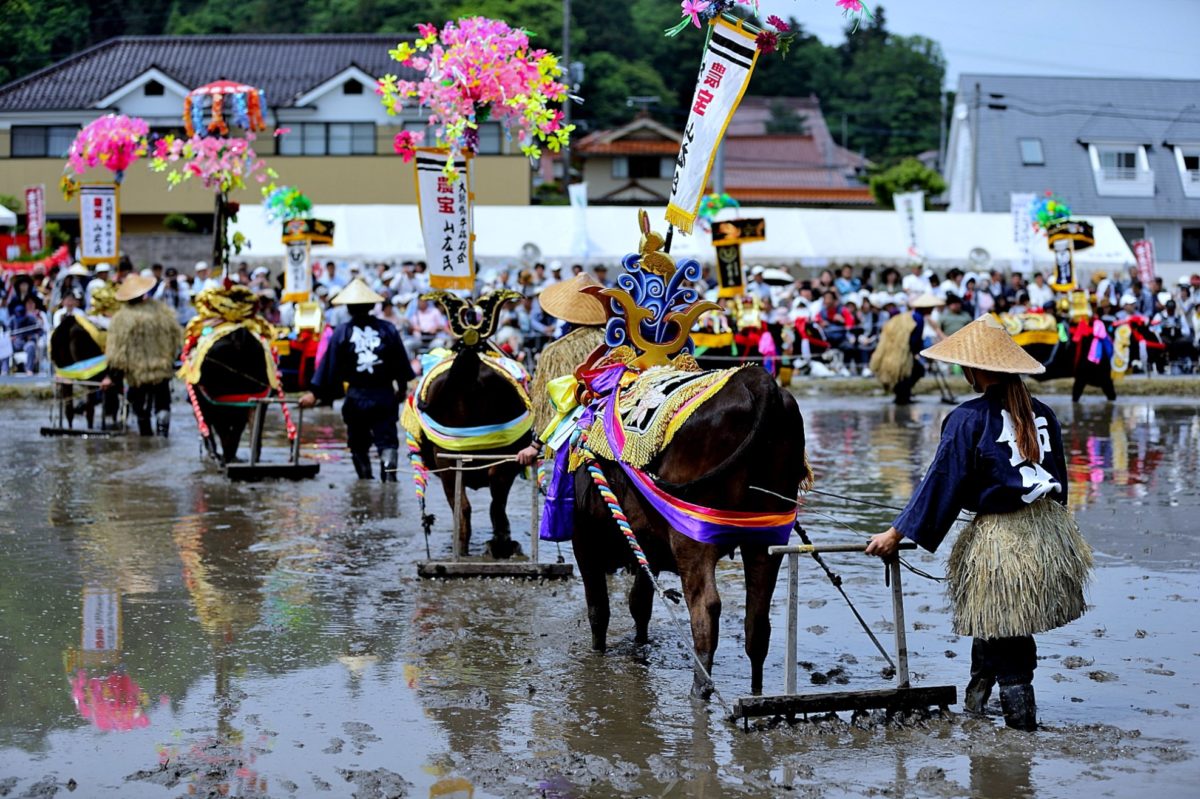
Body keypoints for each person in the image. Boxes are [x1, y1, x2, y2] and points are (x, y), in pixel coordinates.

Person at [866, 316, 1092, 731]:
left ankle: (1021, 735)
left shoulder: (968, 418)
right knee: (993, 616)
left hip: (1003, 540)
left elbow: (941, 482)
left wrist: (896, 533)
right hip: (1046, 534)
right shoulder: (1042, 414)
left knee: (1007, 635)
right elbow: (1061, 483)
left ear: (974, 368)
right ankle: (976, 706)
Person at [299, 278, 414, 481]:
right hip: (384, 395)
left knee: (358, 444)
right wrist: (402, 389)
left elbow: (329, 366)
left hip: (356, 396)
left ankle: (365, 481)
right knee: (387, 442)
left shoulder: (342, 332)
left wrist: (316, 393)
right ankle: (389, 485)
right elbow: (400, 364)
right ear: (371, 306)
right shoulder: (388, 329)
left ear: (349, 308)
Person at [516, 274, 608, 467]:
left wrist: (535, 445)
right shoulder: (617, 343)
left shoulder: (554, 351)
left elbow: (545, 408)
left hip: (572, 436)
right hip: (612, 431)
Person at [103, 274, 181, 436]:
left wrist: (112, 376)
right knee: (163, 404)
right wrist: (170, 360)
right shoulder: (163, 313)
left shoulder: (122, 319)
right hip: (161, 370)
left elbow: (118, 354)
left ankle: (146, 440)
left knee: (141, 409)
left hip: (137, 374)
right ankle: (162, 437)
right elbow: (176, 339)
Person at [870, 293, 944, 404]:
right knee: (916, 371)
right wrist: (924, 354)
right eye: (931, 307)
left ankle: (902, 395)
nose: (933, 309)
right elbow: (914, 341)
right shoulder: (918, 319)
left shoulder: (911, 316)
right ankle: (903, 397)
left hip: (897, 353)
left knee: (907, 374)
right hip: (903, 355)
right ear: (926, 308)